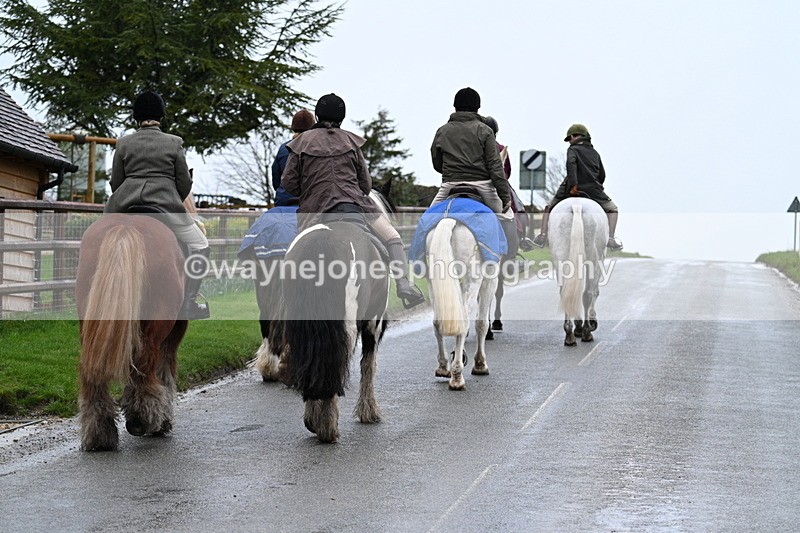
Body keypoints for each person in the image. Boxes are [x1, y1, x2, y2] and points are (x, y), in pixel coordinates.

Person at [281, 93, 425, 308]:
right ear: (342, 115)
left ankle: (286, 297)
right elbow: (366, 185)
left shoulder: (301, 142)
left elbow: (288, 183)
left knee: (296, 249)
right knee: (393, 237)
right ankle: (403, 285)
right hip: (354, 207)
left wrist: (311, 190)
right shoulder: (351, 141)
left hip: (316, 210)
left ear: (318, 115)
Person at [105, 90, 211, 319]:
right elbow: (184, 183)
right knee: (202, 245)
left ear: (136, 117)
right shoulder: (174, 143)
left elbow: (116, 182)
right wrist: (173, 196)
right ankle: (190, 301)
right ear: (161, 116)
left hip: (125, 206)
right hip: (166, 208)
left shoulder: (123, 143)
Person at [429, 88, 517, 252]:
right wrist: (505, 198)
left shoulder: (442, 131)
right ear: (478, 107)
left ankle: (419, 262)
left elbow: (436, 163)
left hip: (449, 185)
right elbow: (495, 168)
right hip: (482, 185)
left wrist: (452, 173)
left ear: (455, 106)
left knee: (425, 221)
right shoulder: (485, 131)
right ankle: (509, 259)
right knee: (508, 217)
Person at [531, 124, 623, 251]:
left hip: (570, 188)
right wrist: (597, 185)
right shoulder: (595, 153)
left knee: (549, 206)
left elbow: (571, 165)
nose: (571, 139)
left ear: (582, 137)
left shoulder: (572, 150)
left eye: (573, 136)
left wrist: (573, 185)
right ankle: (611, 238)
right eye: (569, 138)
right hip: (593, 189)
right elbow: (602, 174)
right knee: (612, 209)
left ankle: (542, 236)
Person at [272, 109, 315, 206]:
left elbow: (276, 178)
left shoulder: (284, 148)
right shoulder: (316, 148)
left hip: (283, 201)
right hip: (308, 202)